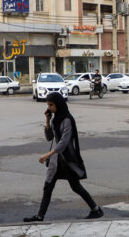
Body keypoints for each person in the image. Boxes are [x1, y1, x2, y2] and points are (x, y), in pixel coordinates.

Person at [24, 92, 103, 222]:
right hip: (56, 161)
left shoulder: (67, 120)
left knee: (75, 186)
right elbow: (50, 137)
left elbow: (64, 143)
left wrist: (47, 155)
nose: (49, 108)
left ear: (58, 104)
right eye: (48, 105)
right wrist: (47, 120)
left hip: (66, 160)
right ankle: (40, 216)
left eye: (51, 105)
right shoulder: (55, 119)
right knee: (48, 186)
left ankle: (96, 210)